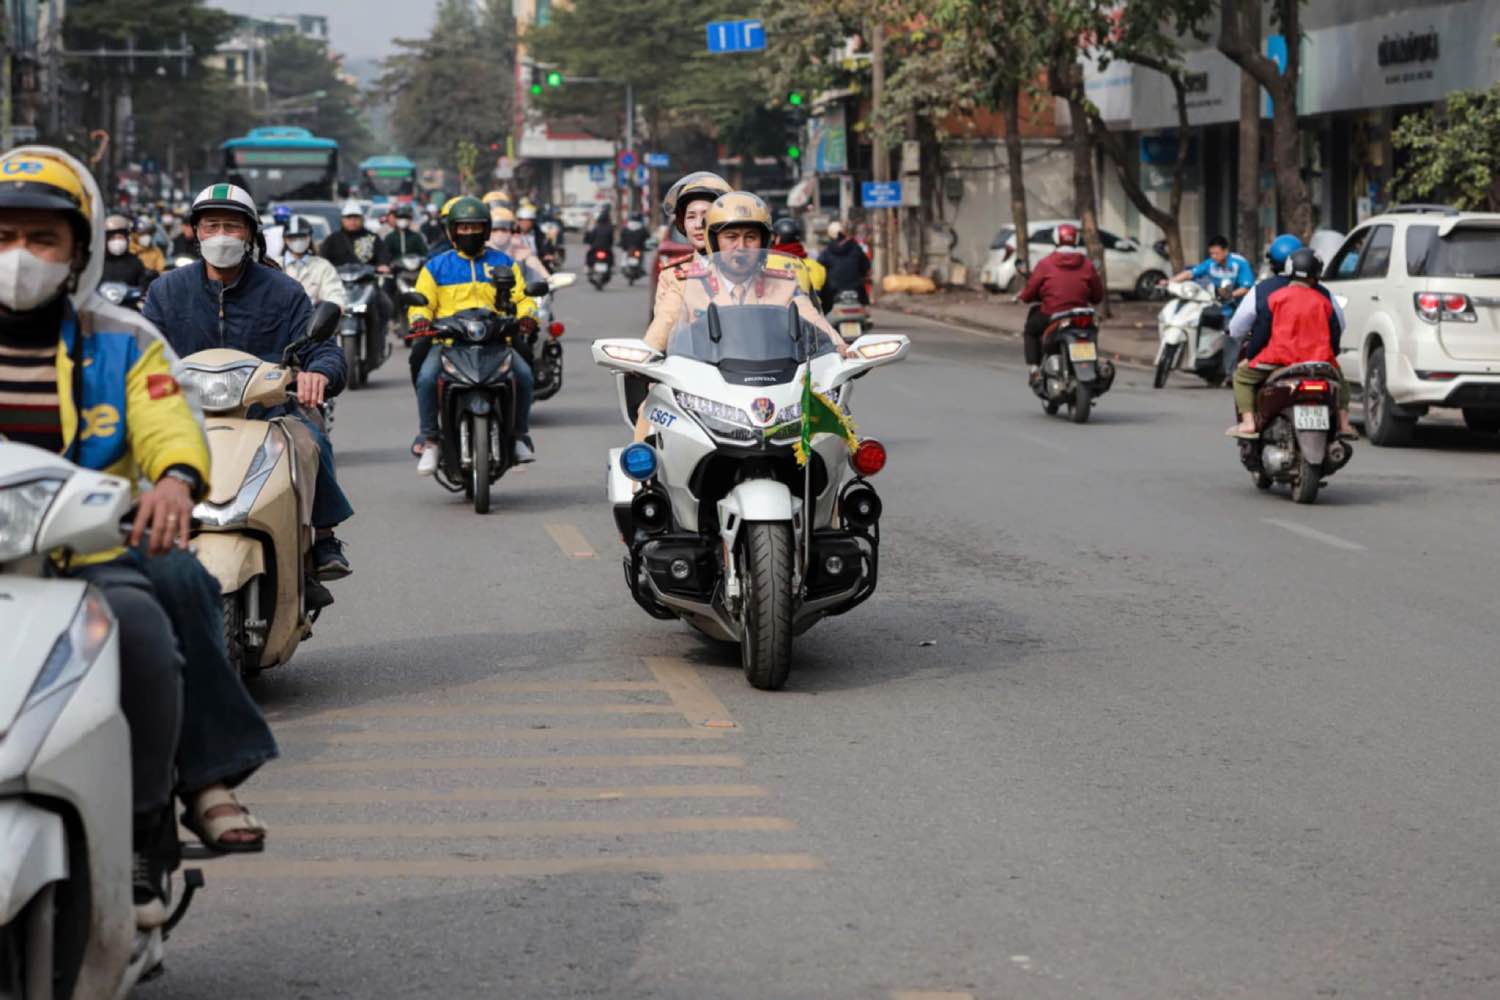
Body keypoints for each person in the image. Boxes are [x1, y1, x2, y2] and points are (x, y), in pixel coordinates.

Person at [0, 146, 261, 925]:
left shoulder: (123, 339)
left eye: (41, 239)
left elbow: (166, 418)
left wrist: (176, 479)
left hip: (89, 554)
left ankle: (150, 825)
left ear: (78, 249)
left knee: (152, 619)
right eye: (3, 236)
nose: (19, 256)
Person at [144, 183, 354, 587]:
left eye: (232, 227)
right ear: (196, 232)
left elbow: (323, 350)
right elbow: (142, 353)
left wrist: (319, 373)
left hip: (268, 414)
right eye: (212, 226)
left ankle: (323, 538)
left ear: (251, 234)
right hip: (183, 417)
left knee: (311, 439)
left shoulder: (284, 291)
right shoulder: (166, 291)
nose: (221, 236)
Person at [637, 191, 850, 441]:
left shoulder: (783, 284)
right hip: (703, 394)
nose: (741, 246)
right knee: (648, 414)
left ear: (763, 242)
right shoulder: (686, 284)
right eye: (731, 237)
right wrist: (642, 358)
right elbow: (662, 327)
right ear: (714, 242)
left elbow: (813, 319)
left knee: (839, 422)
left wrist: (841, 349)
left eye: (751, 237)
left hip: (776, 392)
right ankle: (637, 469)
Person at [406, 195, 537, 472]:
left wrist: (527, 316)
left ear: (486, 229)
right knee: (426, 378)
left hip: (496, 342)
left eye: (475, 227)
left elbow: (523, 298)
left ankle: (519, 436)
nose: (469, 233)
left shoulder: (504, 263)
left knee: (525, 376)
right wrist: (419, 320)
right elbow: (422, 303)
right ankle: (430, 439)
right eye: (463, 227)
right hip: (449, 343)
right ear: (453, 231)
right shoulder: (436, 266)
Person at [1227, 246, 1356, 439]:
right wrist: (1330, 356)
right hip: (1319, 360)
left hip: (1278, 358)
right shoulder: (1324, 300)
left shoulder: (1275, 297)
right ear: (1316, 274)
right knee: (1341, 384)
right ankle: (1344, 424)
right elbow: (1335, 331)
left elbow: (1261, 331)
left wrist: (1252, 356)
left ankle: (1248, 423)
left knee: (1241, 377)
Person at [1015, 222, 1104, 387]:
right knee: (1091, 331)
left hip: (1052, 315)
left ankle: (1034, 369)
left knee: (1031, 330)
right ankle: (1094, 366)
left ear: (1055, 239)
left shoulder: (1045, 264)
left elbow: (1029, 292)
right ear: (1076, 240)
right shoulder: (1087, 265)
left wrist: (1024, 296)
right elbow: (1097, 296)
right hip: (1080, 316)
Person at [1166, 234, 1254, 382]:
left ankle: (1231, 374)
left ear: (1225, 251)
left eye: (1216, 253)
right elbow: (1191, 273)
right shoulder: (1211, 264)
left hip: (1240, 308)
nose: (1213, 256)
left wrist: (1231, 295)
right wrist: (1170, 281)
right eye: (1211, 253)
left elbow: (1246, 287)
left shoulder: (1239, 263)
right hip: (1221, 305)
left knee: (1232, 336)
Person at [651, 171, 732, 321]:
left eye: (706, 216)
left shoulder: (750, 267)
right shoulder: (672, 276)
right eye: (691, 216)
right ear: (682, 224)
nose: (698, 224)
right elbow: (666, 325)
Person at [321, 200, 393, 333]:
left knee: (386, 305)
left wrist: (383, 265)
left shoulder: (372, 238)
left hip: (367, 286)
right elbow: (322, 260)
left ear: (362, 219)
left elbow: (383, 254)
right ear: (343, 220)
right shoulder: (332, 239)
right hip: (339, 287)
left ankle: (379, 338)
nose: (352, 221)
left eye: (356, 218)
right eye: (349, 218)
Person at [282, 215, 346, 308]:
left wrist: (334, 306)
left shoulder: (323, 266)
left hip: (314, 316)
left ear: (309, 237)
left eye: (302, 237)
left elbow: (334, 293)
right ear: (285, 239)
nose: (298, 241)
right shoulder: (274, 265)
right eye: (293, 237)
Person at [817, 220, 871, 313]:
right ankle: (866, 312)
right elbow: (866, 266)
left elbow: (819, 270)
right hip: (856, 290)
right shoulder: (856, 248)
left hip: (832, 291)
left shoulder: (827, 252)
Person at [769, 215, 826, 296]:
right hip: (811, 304)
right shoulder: (817, 267)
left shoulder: (768, 262)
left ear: (779, 238)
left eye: (774, 237)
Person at [102, 213, 154, 286]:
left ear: (127, 240)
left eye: (120, 238)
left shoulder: (135, 262)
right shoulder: (99, 263)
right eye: (113, 238)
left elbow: (143, 283)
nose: (117, 241)